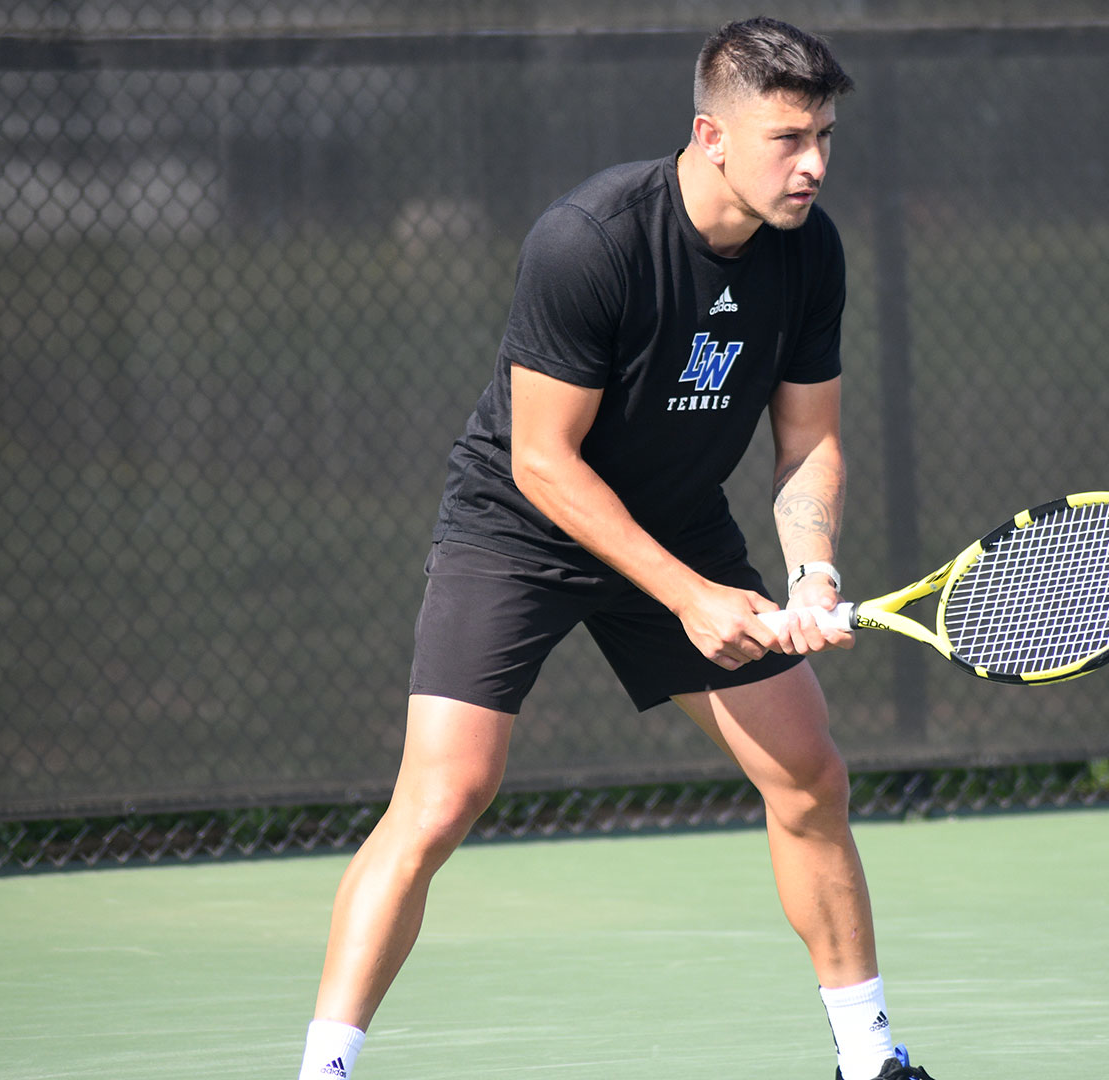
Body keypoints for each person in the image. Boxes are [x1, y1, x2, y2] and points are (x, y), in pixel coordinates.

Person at [295, 17, 936, 1080]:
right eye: (788, 138)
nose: (815, 163)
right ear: (711, 136)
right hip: (520, 528)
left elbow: (808, 441)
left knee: (810, 776)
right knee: (444, 797)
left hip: (679, 520)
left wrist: (811, 567)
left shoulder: (808, 249)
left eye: (824, 134)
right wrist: (691, 597)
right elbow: (546, 462)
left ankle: (870, 1061)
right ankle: (323, 1070)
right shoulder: (588, 240)